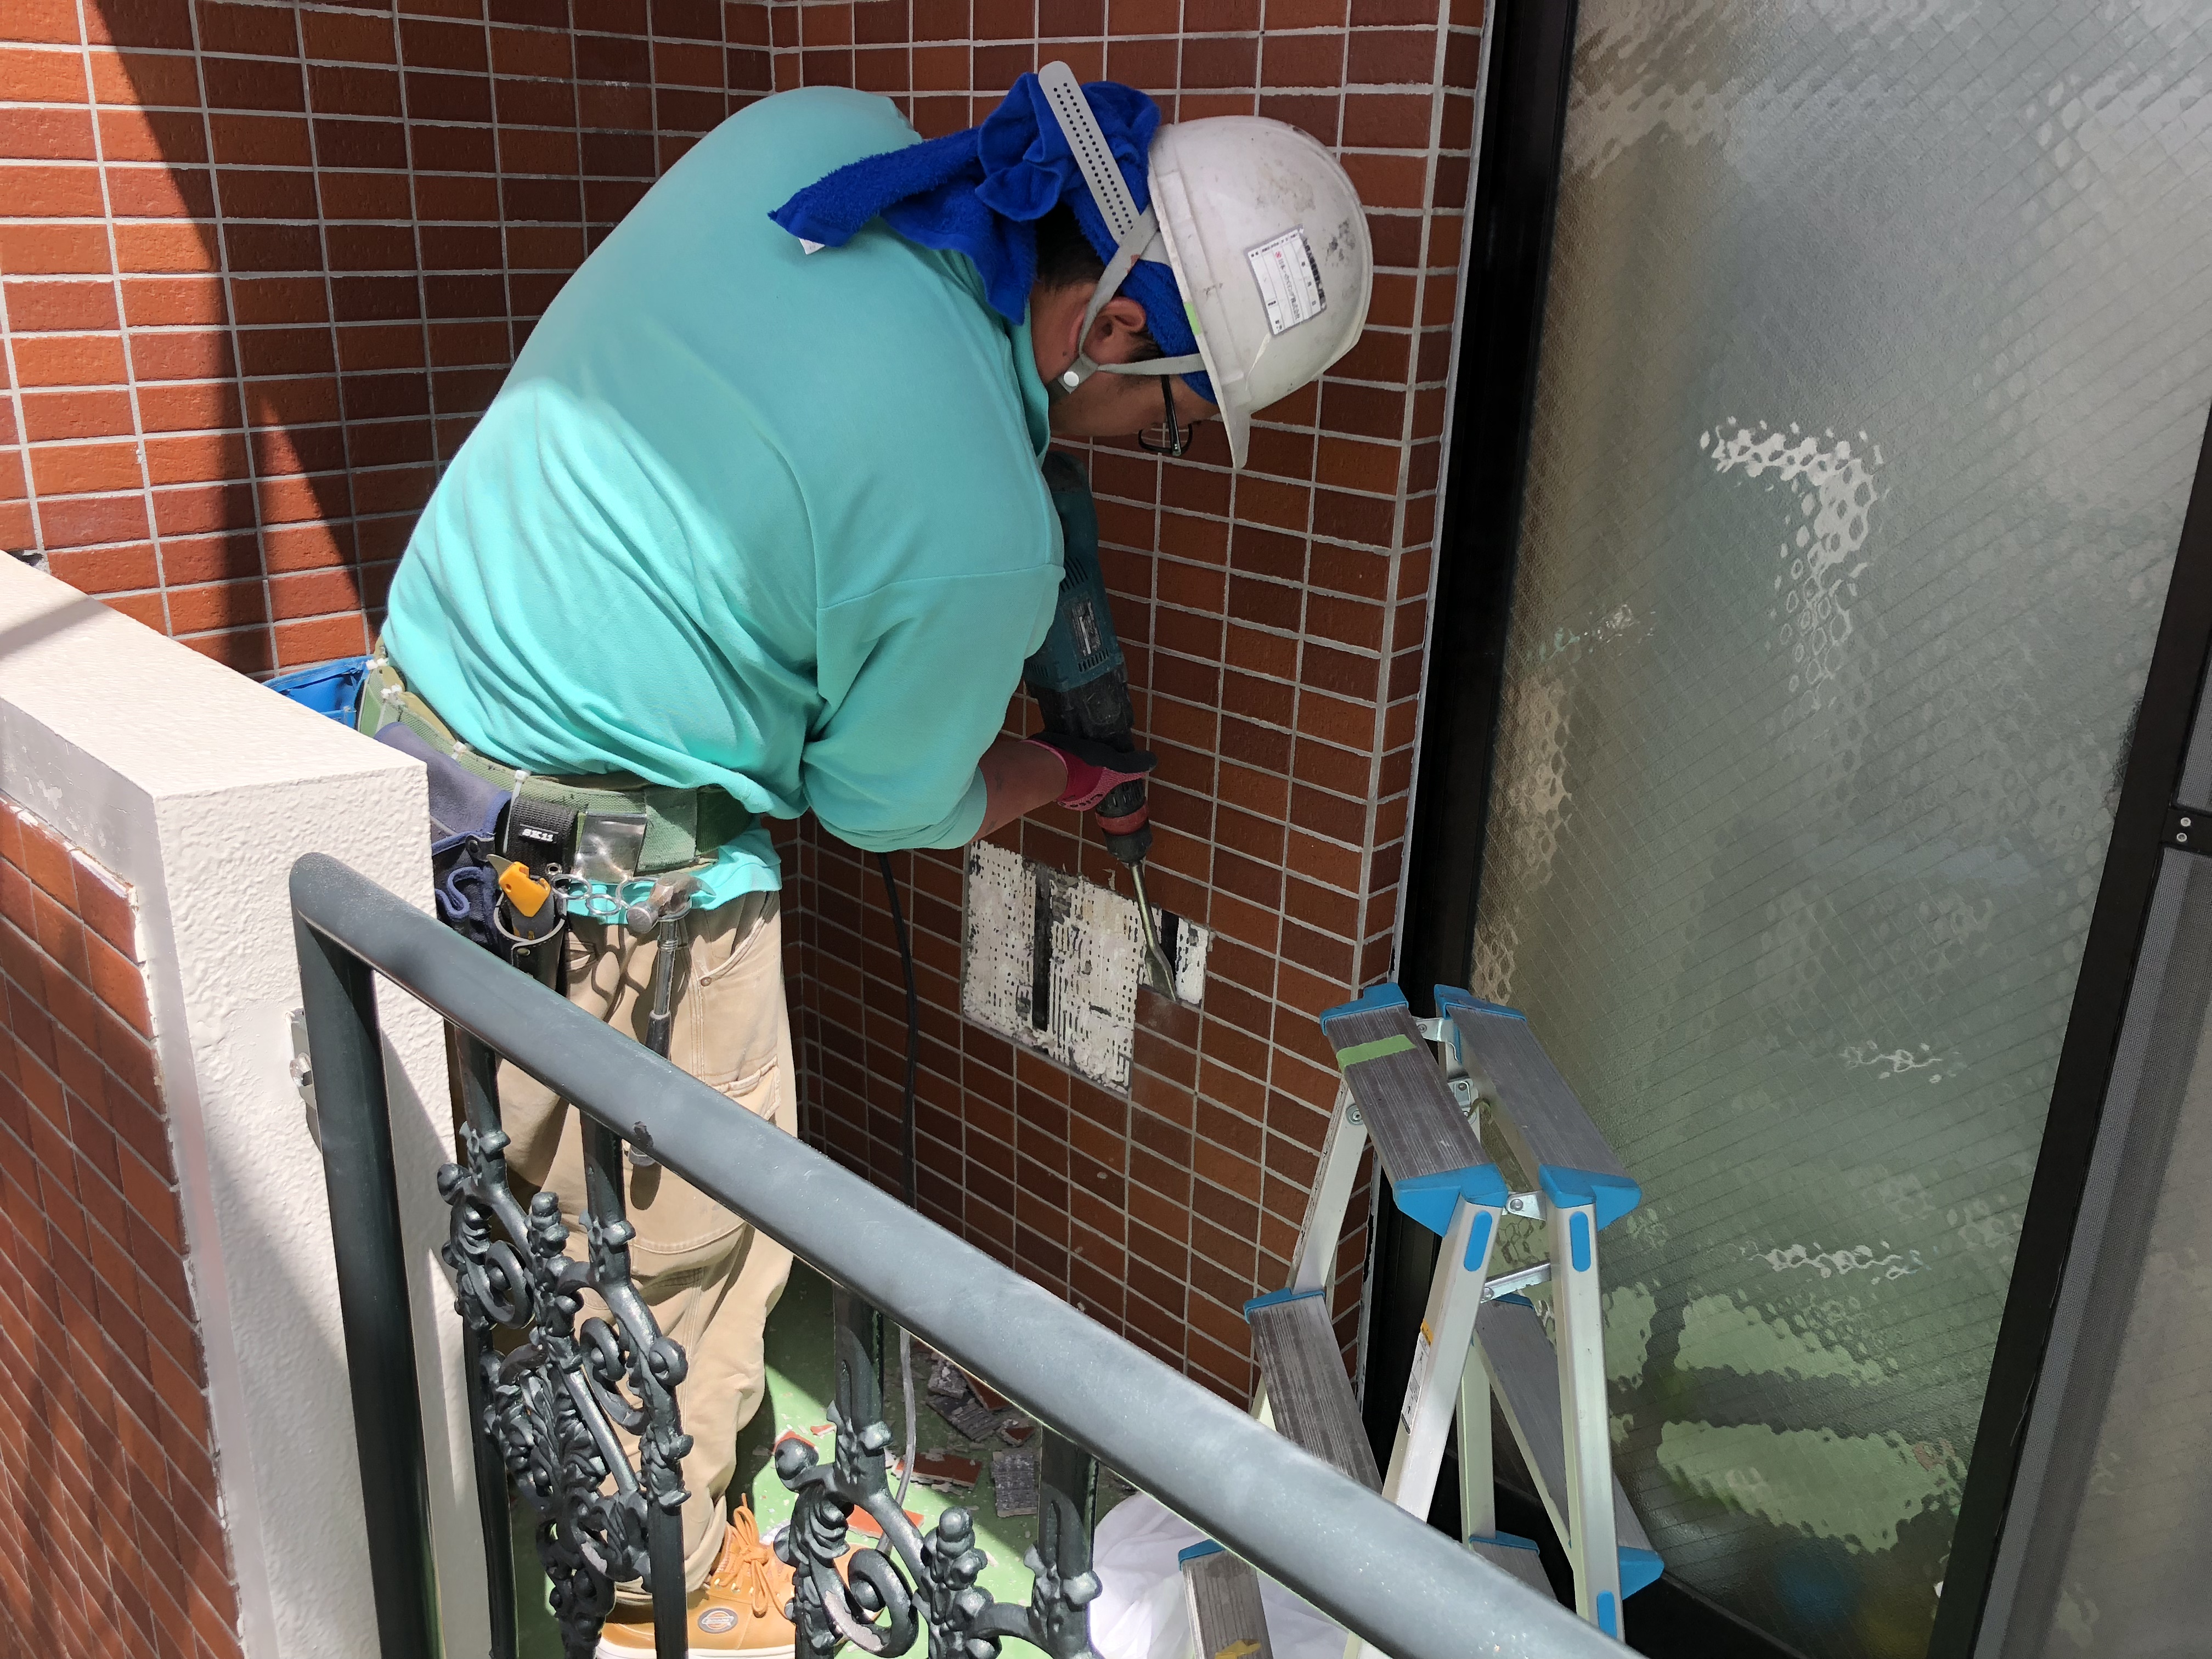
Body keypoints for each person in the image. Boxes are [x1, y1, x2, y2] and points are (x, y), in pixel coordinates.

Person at [363, 65, 1370, 1658]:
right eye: (1172, 423)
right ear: (1115, 330)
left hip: (416, 732)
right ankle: (654, 1585)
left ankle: (551, 1440)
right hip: (610, 861)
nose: (1144, 450)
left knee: (520, 1184)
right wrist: (1059, 770)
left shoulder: (827, 138)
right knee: (693, 1226)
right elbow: (885, 806)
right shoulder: (982, 527)